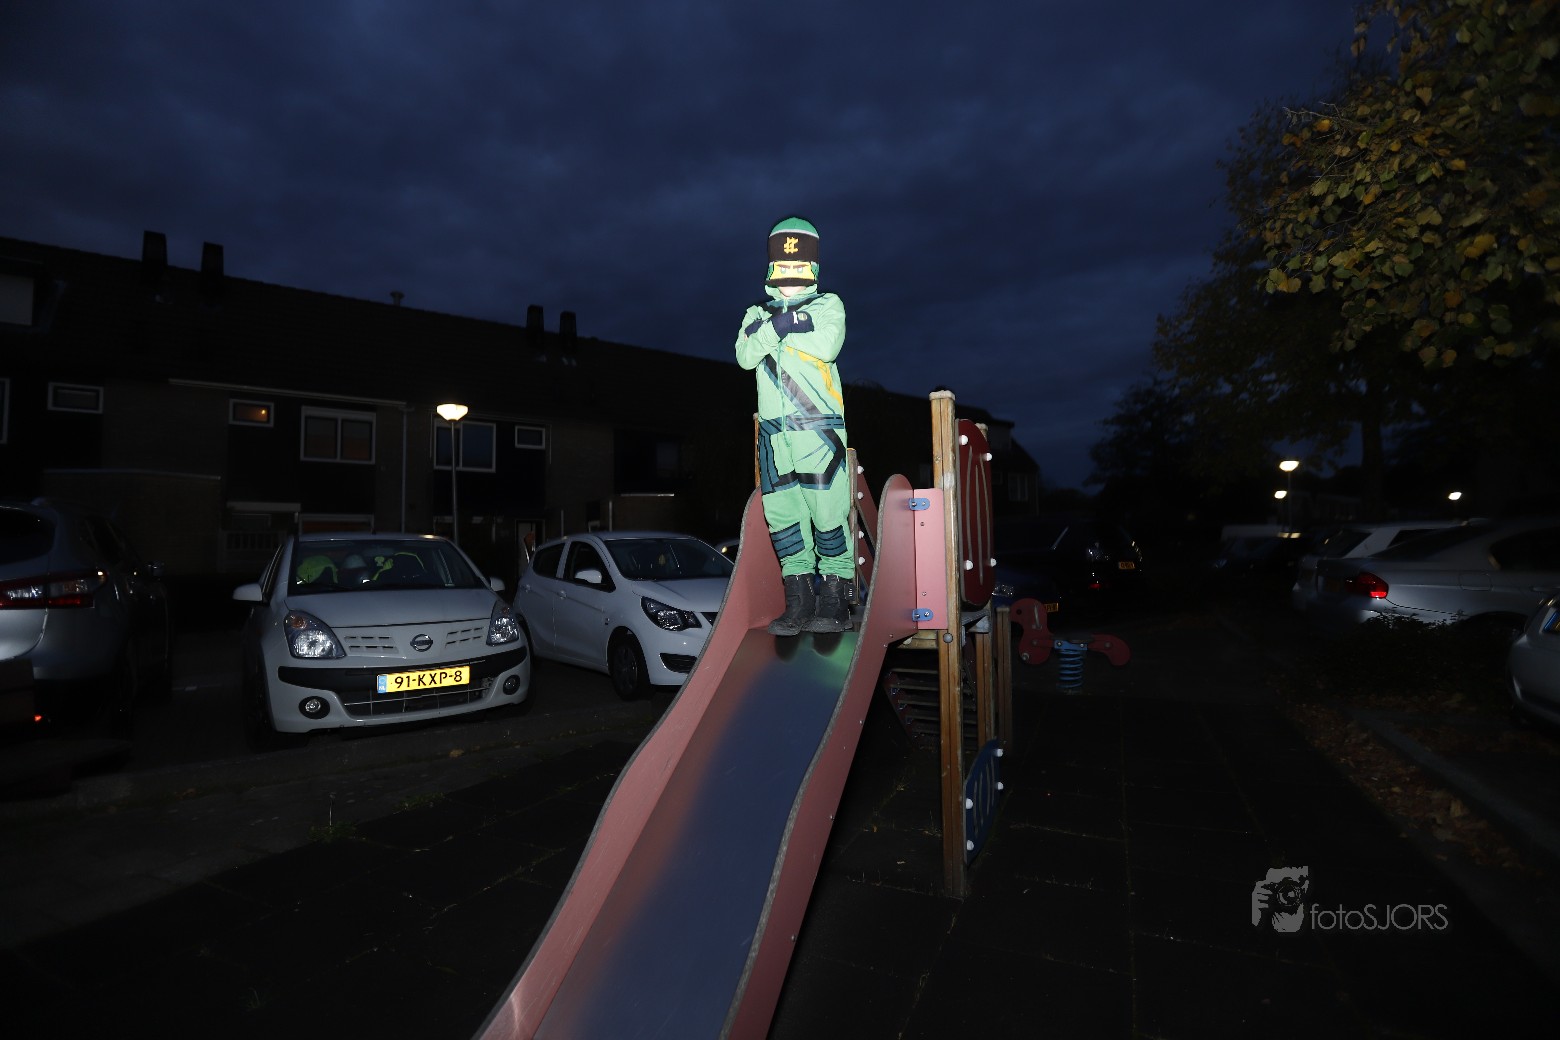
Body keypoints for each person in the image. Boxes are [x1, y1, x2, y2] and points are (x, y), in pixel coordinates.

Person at [734, 216, 854, 636]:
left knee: (827, 511)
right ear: (771, 268)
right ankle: (798, 600)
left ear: (812, 268)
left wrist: (772, 332)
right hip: (773, 434)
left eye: (798, 267)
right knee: (783, 515)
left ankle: (836, 598)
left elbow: (827, 344)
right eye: (782, 267)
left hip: (817, 429)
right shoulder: (756, 311)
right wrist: (783, 324)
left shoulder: (828, 305)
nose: (789, 275)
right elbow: (744, 355)